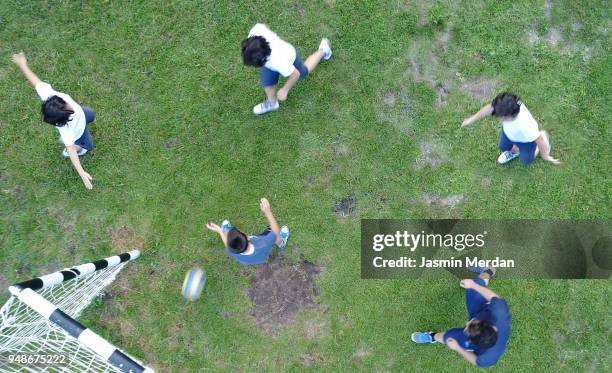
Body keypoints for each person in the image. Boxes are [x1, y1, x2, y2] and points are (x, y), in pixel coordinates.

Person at [12, 52, 96, 189]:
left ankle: (85, 124)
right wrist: (82, 174)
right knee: (88, 146)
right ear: (63, 120)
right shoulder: (67, 131)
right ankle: (80, 147)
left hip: (83, 114)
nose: (69, 106)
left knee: (91, 114)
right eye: (67, 109)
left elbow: (35, 82)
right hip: (79, 132)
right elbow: (72, 153)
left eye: (64, 103)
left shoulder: (49, 95)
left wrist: (23, 64)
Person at [411, 267, 511, 368]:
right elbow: (493, 298)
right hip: (483, 310)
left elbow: (475, 360)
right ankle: (489, 270)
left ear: (473, 342)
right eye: (472, 323)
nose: (467, 323)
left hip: (477, 330)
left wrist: (457, 348)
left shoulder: (488, 358)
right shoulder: (500, 314)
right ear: (492, 327)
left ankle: (431, 336)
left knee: (449, 337)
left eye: (467, 329)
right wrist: (473, 285)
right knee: (476, 284)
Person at [241, 23, 332, 115]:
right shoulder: (256, 31)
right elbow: (264, 26)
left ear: (263, 59)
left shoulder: (279, 61)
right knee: (267, 83)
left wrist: (285, 90)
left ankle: (324, 50)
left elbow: (295, 74)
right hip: (270, 60)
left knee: (303, 72)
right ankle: (272, 103)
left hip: (290, 57)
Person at [462, 92, 560, 166]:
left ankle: (538, 145)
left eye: (499, 116)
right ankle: (514, 152)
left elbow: (539, 139)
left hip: (526, 140)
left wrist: (545, 155)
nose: (497, 117)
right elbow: (490, 108)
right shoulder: (509, 104)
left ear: (508, 117)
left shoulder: (526, 126)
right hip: (509, 133)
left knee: (526, 161)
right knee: (503, 147)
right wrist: (471, 119)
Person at [206, 198, 290, 265]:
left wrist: (220, 231)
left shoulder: (233, 251)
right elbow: (275, 232)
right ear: (247, 237)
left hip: (251, 261)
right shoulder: (263, 243)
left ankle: (226, 229)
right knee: (275, 236)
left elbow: (227, 244)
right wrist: (268, 212)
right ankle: (281, 243)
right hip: (261, 253)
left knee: (228, 235)